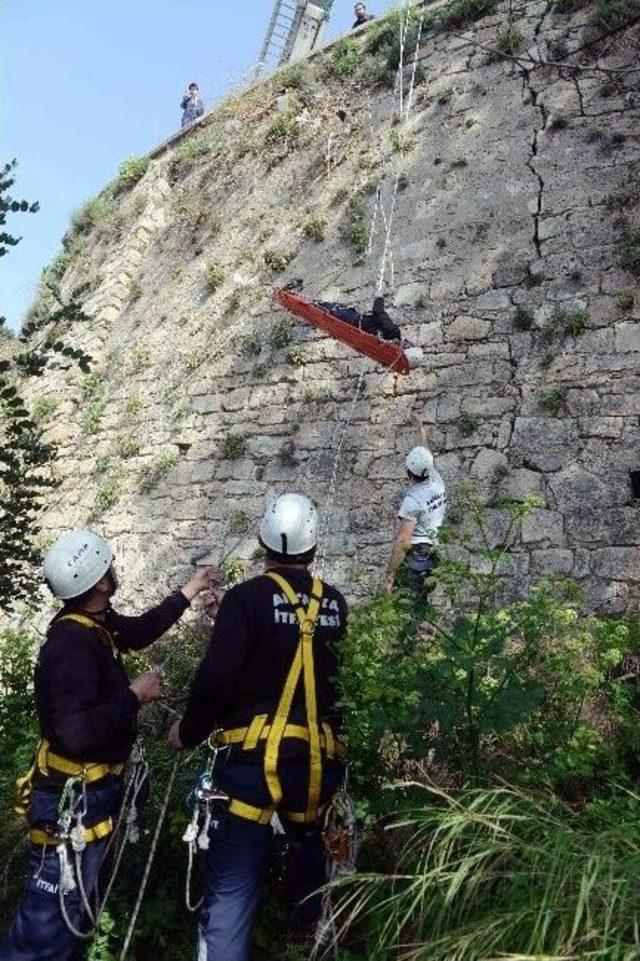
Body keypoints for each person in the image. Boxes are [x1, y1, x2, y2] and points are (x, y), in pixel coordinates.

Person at [0, 529, 216, 961]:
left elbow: (137, 632)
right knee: (48, 926)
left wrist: (190, 590)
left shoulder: (94, 625)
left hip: (93, 796)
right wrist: (135, 694)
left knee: (76, 914)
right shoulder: (70, 645)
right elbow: (75, 733)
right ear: (99, 583)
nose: (114, 571)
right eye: (108, 568)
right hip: (73, 801)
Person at [168, 494, 348, 961]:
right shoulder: (336, 603)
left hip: (251, 770)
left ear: (263, 541)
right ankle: (311, 941)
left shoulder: (246, 600)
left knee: (229, 900)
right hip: (316, 771)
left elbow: (216, 678)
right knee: (313, 887)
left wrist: (186, 733)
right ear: (314, 545)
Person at [383, 414, 447, 596]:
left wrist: (389, 578)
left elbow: (403, 541)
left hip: (417, 557)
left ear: (408, 473)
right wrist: (421, 429)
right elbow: (427, 457)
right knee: (421, 603)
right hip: (433, 555)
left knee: (407, 607)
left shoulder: (412, 501)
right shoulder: (437, 481)